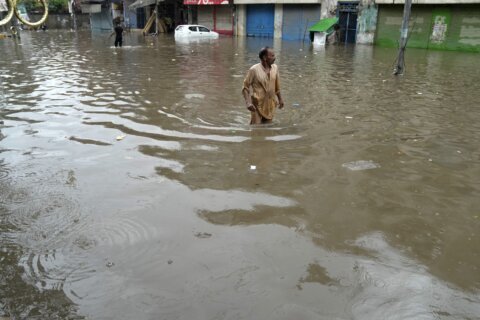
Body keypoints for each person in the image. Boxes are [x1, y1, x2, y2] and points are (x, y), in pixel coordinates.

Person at [242, 47, 284, 125]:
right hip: (257, 105)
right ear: (265, 58)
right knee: (256, 129)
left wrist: (280, 99)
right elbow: (245, 87)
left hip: (270, 104)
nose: (275, 58)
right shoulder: (253, 70)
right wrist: (248, 103)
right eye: (272, 56)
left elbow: (277, 87)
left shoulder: (275, 68)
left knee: (267, 128)